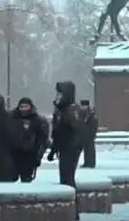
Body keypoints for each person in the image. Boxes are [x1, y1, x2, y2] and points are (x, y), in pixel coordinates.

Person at [47, 81, 84, 220]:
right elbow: (57, 131)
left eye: (61, 93)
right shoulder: (61, 108)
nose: (58, 95)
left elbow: (74, 128)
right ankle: (70, 211)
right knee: (65, 178)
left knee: (68, 179)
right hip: (64, 147)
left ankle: (74, 212)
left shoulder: (71, 109)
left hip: (71, 148)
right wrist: (53, 149)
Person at [8, 97, 49, 183]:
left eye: (26, 106)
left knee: (26, 179)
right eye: (21, 106)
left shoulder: (37, 120)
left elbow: (42, 140)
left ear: (30, 107)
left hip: (29, 154)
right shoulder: (11, 118)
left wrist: (38, 156)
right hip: (13, 154)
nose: (23, 109)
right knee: (10, 179)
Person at [79, 99, 98, 168]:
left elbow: (94, 124)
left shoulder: (91, 114)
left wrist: (93, 133)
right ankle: (87, 162)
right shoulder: (82, 113)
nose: (82, 107)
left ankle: (91, 163)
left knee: (90, 150)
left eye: (84, 106)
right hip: (84, 134)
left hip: (90, 134)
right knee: (86, 150)